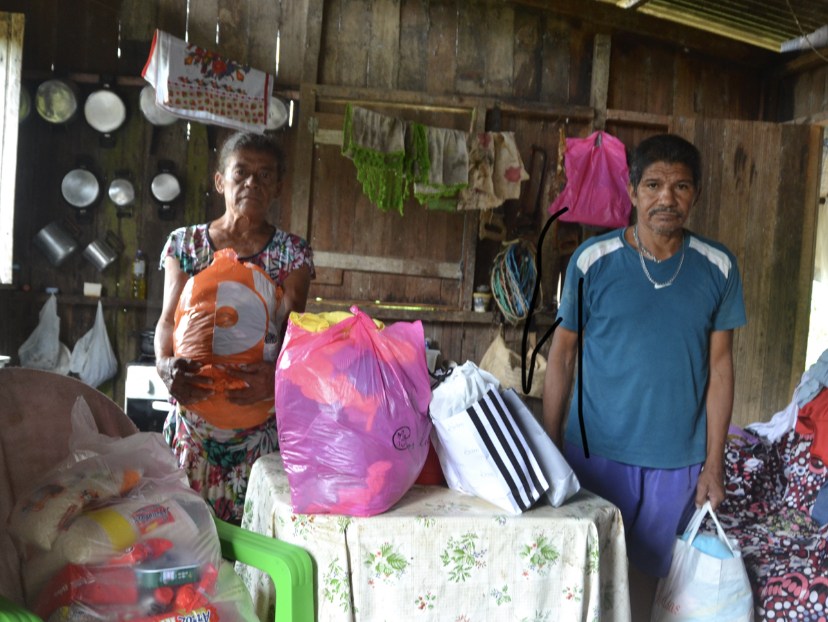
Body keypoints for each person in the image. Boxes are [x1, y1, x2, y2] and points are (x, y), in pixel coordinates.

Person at [542, 133, 746, 620]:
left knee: (644, 583)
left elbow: (721, 368)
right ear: (633, 191)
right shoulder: (592, 261)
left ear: (695, 194)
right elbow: (562, 355)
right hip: (596, 455)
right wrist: (548, 447)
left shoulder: (718, 267)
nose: (666, 198)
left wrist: (714, 463)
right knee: (582, 576)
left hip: (676, 462)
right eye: (653, 184)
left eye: (681, 186)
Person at [154, 131, 315, 522]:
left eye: (265, 175)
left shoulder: (292, 253)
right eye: (241, 172)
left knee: (251, 538)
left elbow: (295, 334)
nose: (252, 183)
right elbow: (167, 320)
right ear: (220, 180)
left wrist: (278, 379)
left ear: (277, 187)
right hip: (193, 429)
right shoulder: (186, 244)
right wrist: (163, 365)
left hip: (258, 429)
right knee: (187, 534)